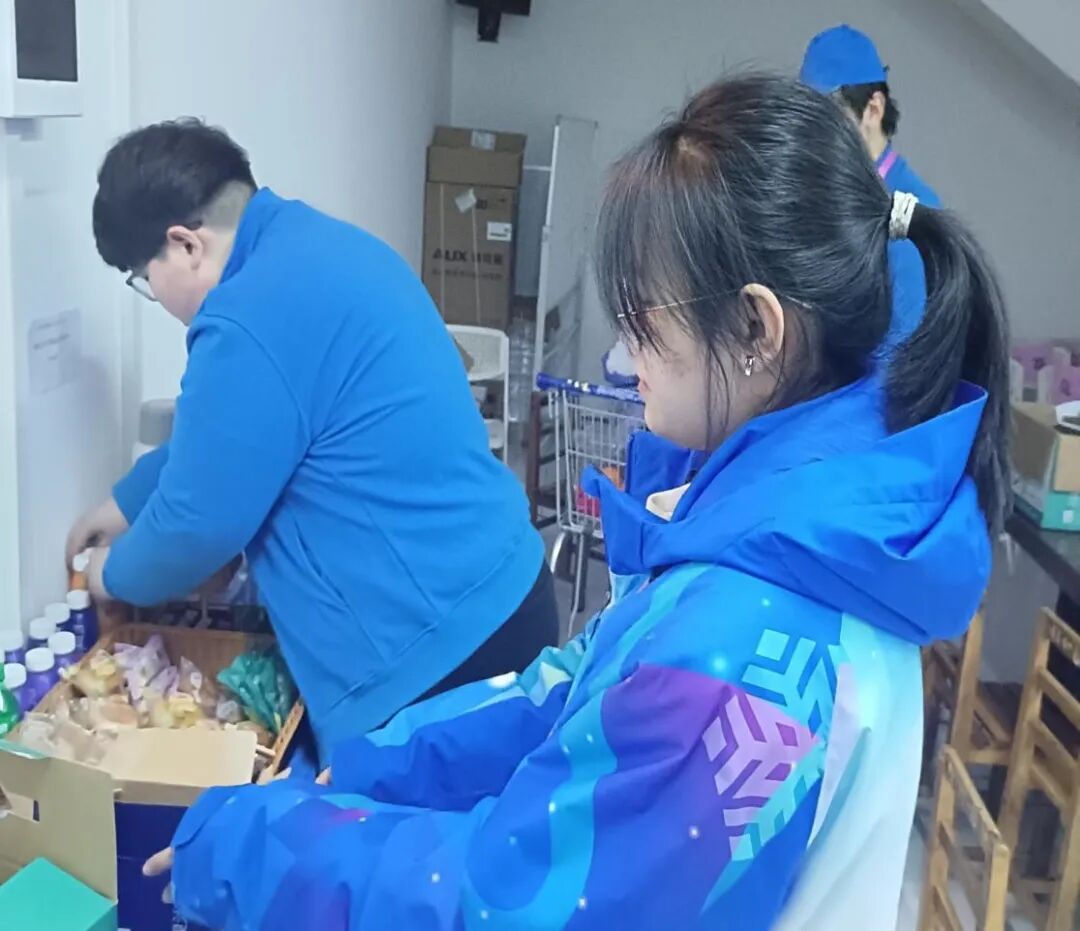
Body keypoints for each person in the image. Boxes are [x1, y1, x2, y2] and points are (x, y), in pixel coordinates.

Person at [145, 75, 1009, 930]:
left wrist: (256, 846)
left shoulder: (747, 639)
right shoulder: (803, 517)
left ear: (757, 328)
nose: (625, 358)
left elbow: (506, 901)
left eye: (645, 322)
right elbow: (575, 690)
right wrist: (381, 766)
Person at [69, 119, 558, 761]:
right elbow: (233, 436)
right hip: (499, 594)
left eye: (143, 276)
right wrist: (125, 502)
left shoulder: (247, 316)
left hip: (435, 658)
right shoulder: (319, 246)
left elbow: (196, 526)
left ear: (185, 244)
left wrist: (107, 574)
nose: (154, 296)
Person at [801, 23, 940, 351]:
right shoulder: (824, 196)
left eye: (828, 117)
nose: (813, 135)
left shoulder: (913, 211)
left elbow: (903, 351)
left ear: (873, 109)